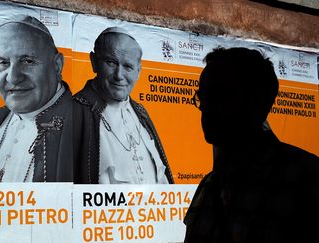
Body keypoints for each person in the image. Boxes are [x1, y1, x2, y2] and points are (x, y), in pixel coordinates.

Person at [184, 47, 319, 243]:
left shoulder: (305, 179)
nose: (204, 107)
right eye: (202, 97)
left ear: (255, 102)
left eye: (216, 95)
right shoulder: (209, 184)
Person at [0, 16, 73, 182]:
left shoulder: (84, 127)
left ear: (57, 65)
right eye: (3, 62)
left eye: (27, 61)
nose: (13, 77)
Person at [73, 27, 174, 184]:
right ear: (94, 62)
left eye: (128, 66)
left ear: (138, 71)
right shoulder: (73, 112)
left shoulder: (141, 113)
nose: (119, 75)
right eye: (111, 62)